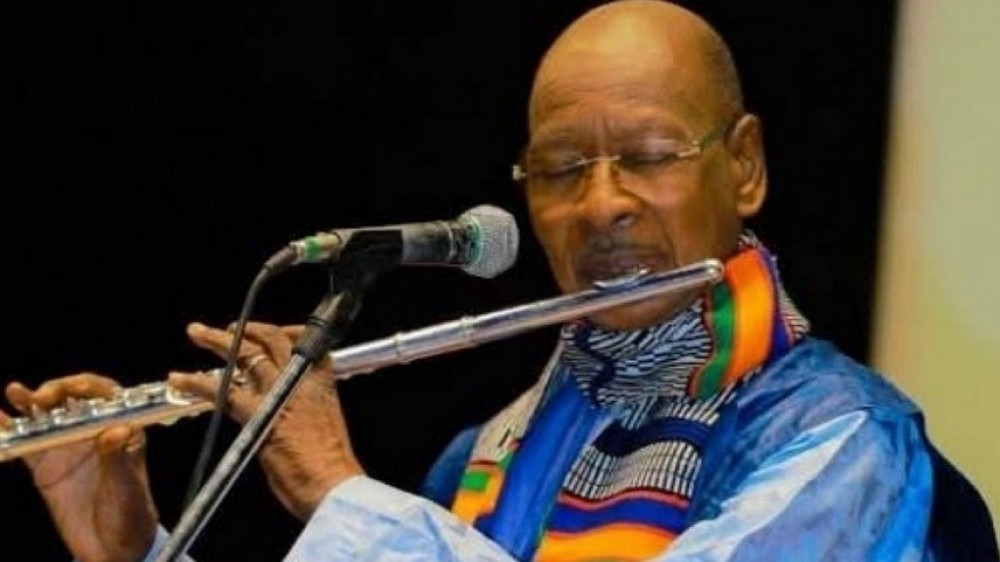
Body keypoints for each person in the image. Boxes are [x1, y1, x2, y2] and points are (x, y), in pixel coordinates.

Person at [2, 1, 997, 561]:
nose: (600, 205)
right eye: (560, 169)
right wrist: (136, 549)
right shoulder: (486, 457)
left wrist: (339, 493)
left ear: (743, 167)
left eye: (648, 156)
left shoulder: (844, 442)